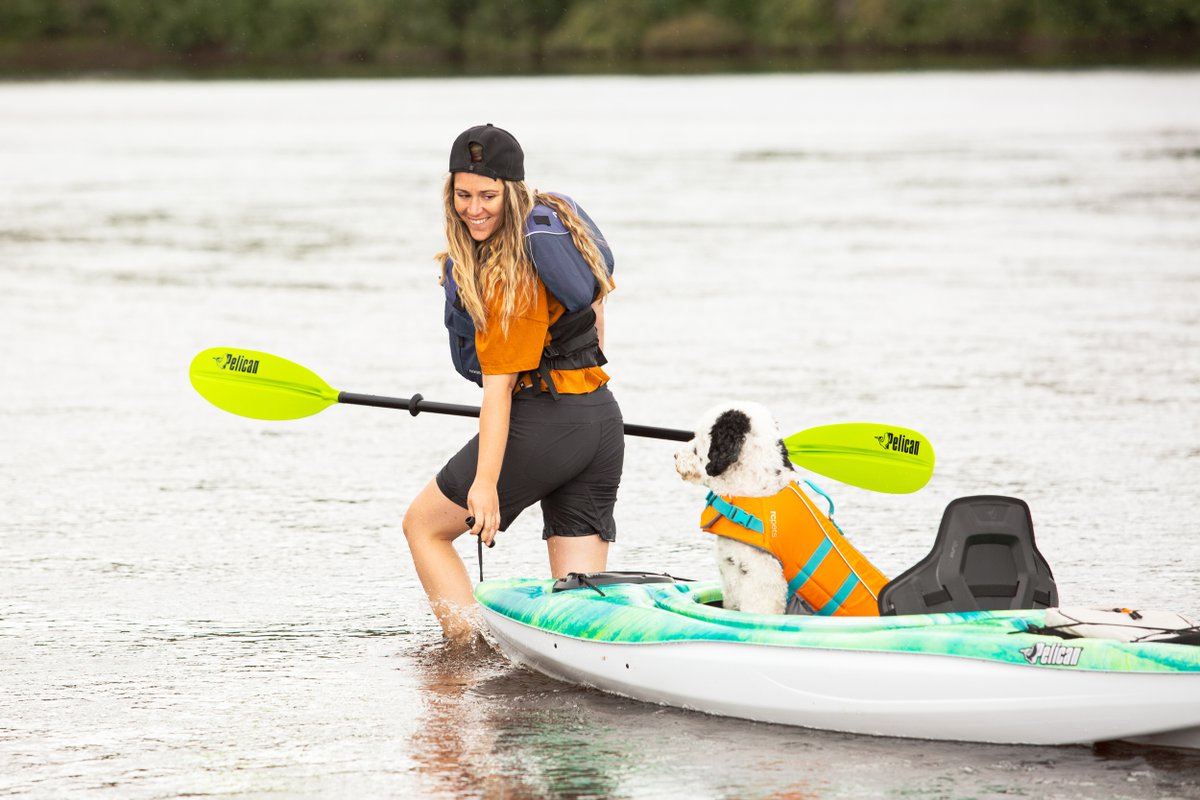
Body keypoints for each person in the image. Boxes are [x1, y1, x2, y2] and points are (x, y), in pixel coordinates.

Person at [402, 124, 623, 641]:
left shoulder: (507, 276)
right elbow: (597, 315)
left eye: (488, 195)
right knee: (579, 607)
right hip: (600, 422)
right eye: (463, 195)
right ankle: (581, 675)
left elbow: (497, 391)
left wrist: (485, 485)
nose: (474, 209)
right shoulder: (562, 233)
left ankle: (468, 653)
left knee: (424, 527)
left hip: (543, 429)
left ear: (512, 192)